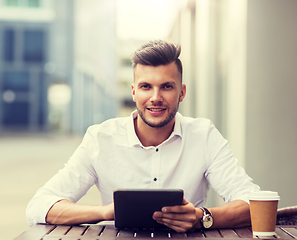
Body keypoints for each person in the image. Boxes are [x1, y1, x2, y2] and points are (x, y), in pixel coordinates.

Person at [26, 40, 260, 232]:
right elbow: (39, 206)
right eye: (146, 86)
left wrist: (203, 217)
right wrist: (106, 212)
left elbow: (255, 203)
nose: (156, 97)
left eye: (167, 87)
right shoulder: (100, 138)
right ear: (134, 92)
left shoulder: (204, 136)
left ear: (182, 92)